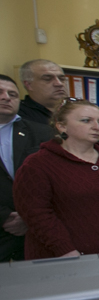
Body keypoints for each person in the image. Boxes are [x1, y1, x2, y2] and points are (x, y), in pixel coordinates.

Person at [14, 100, 99, 259]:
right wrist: (63, 248)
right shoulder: (39, 163)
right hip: (64, 257)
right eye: (86, 121)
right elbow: (36, 213)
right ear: (62, 126)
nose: (97, 127)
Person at [0, 73, 54, 261]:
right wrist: (4, 216)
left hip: (35, 229)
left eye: (12, 94)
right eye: (0, 92)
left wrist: (29, 217)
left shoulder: (43, 132)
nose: (6, 97)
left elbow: (55, 179)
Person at [18, 59, 67, 126]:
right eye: (48, 79)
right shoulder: (19, 114)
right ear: (29, 85)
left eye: (62, 79)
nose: (59, 83)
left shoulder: (74, 108)